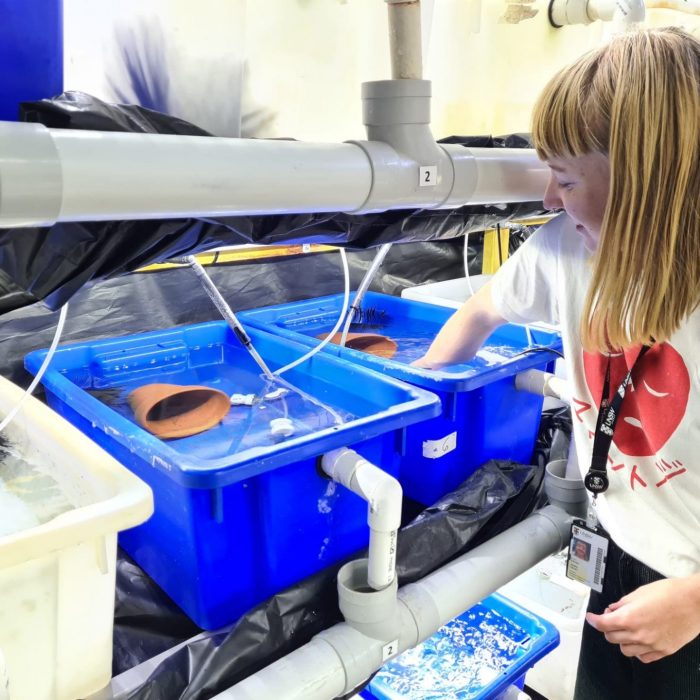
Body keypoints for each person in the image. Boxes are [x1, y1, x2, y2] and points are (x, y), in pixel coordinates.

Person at [415, 27, 700, 699]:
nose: (547, 199)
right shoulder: (565, 248)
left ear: (643, 184)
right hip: (626, 546)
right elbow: (478, 313)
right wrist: (416, 417)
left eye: (566, 179)